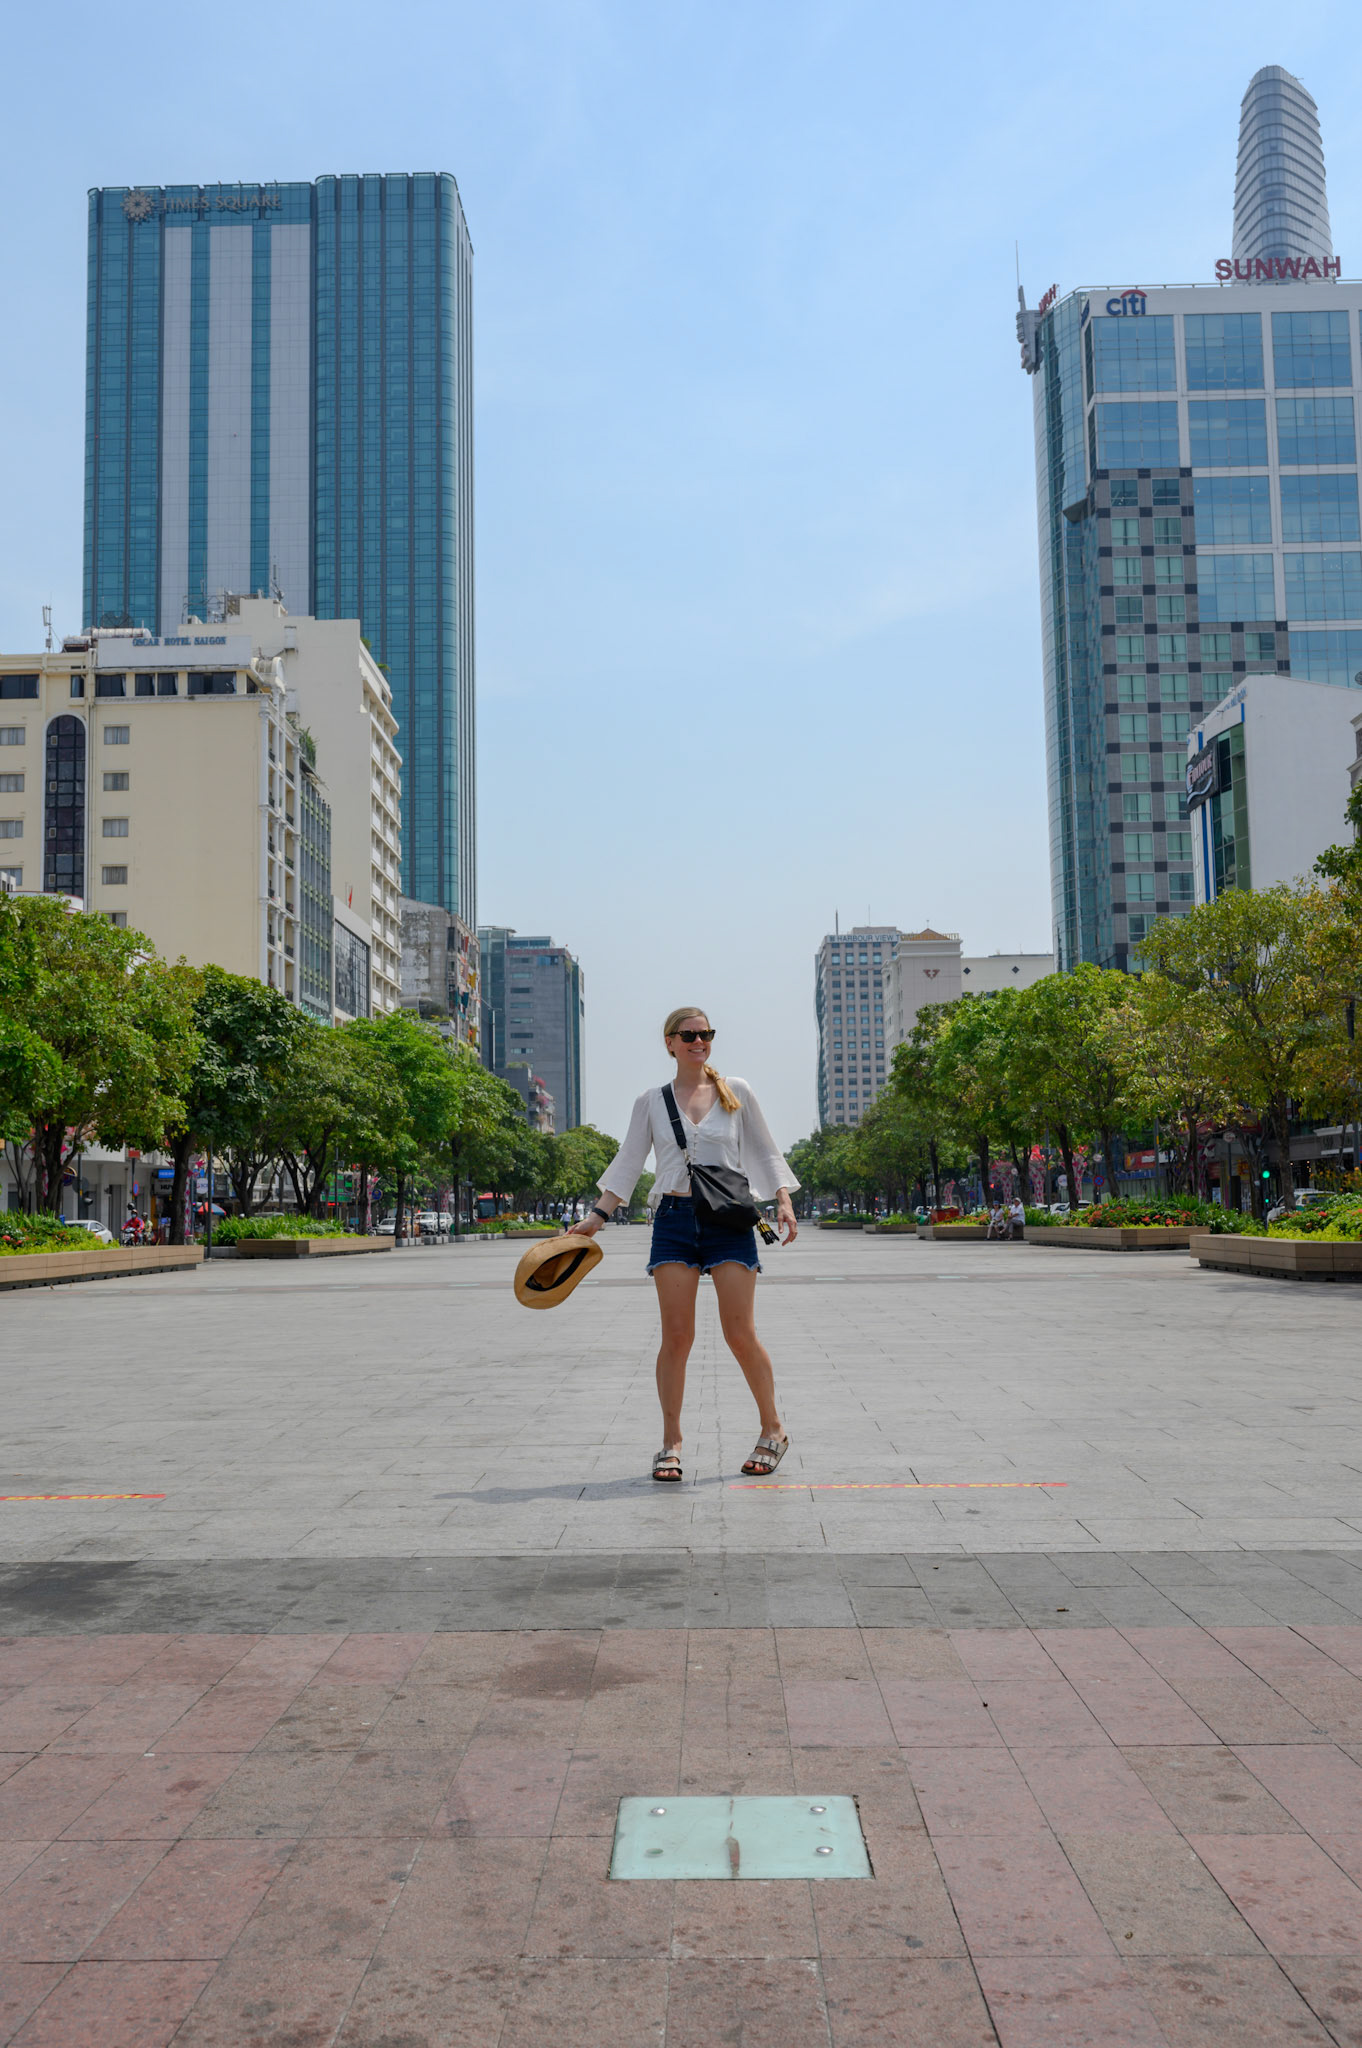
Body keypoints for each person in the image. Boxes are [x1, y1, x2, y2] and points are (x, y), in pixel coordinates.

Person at [566, 1007, 799, 1483]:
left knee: (740, 1333)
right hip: (673, 1220)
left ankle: (773, 1428)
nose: (699, 1041)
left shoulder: (736, 1091)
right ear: (669, 1042)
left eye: (706, 1034)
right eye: (689, 1035)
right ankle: (670, 1442)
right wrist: (596, 1217)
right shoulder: (651, 1100)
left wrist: (783, 1201)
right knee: (677, 1337)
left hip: (729, 1221)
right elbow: (630, 1160)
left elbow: (764, 1150)